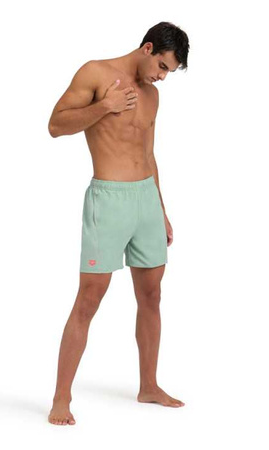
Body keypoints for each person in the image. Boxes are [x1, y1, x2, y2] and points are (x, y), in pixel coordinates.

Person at [47, 21, 190, 425]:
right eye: (162, 66)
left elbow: (148, 153)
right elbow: (55, 126)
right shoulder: (95, 73)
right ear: (147, 48)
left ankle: (149, 386)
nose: (162, 77)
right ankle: (61, 398)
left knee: (152, 295)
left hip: (145, 199)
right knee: (88, 300)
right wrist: (104, 108)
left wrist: (160, 208)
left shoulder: (152, 96)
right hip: (109, 200)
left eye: (169, 71)